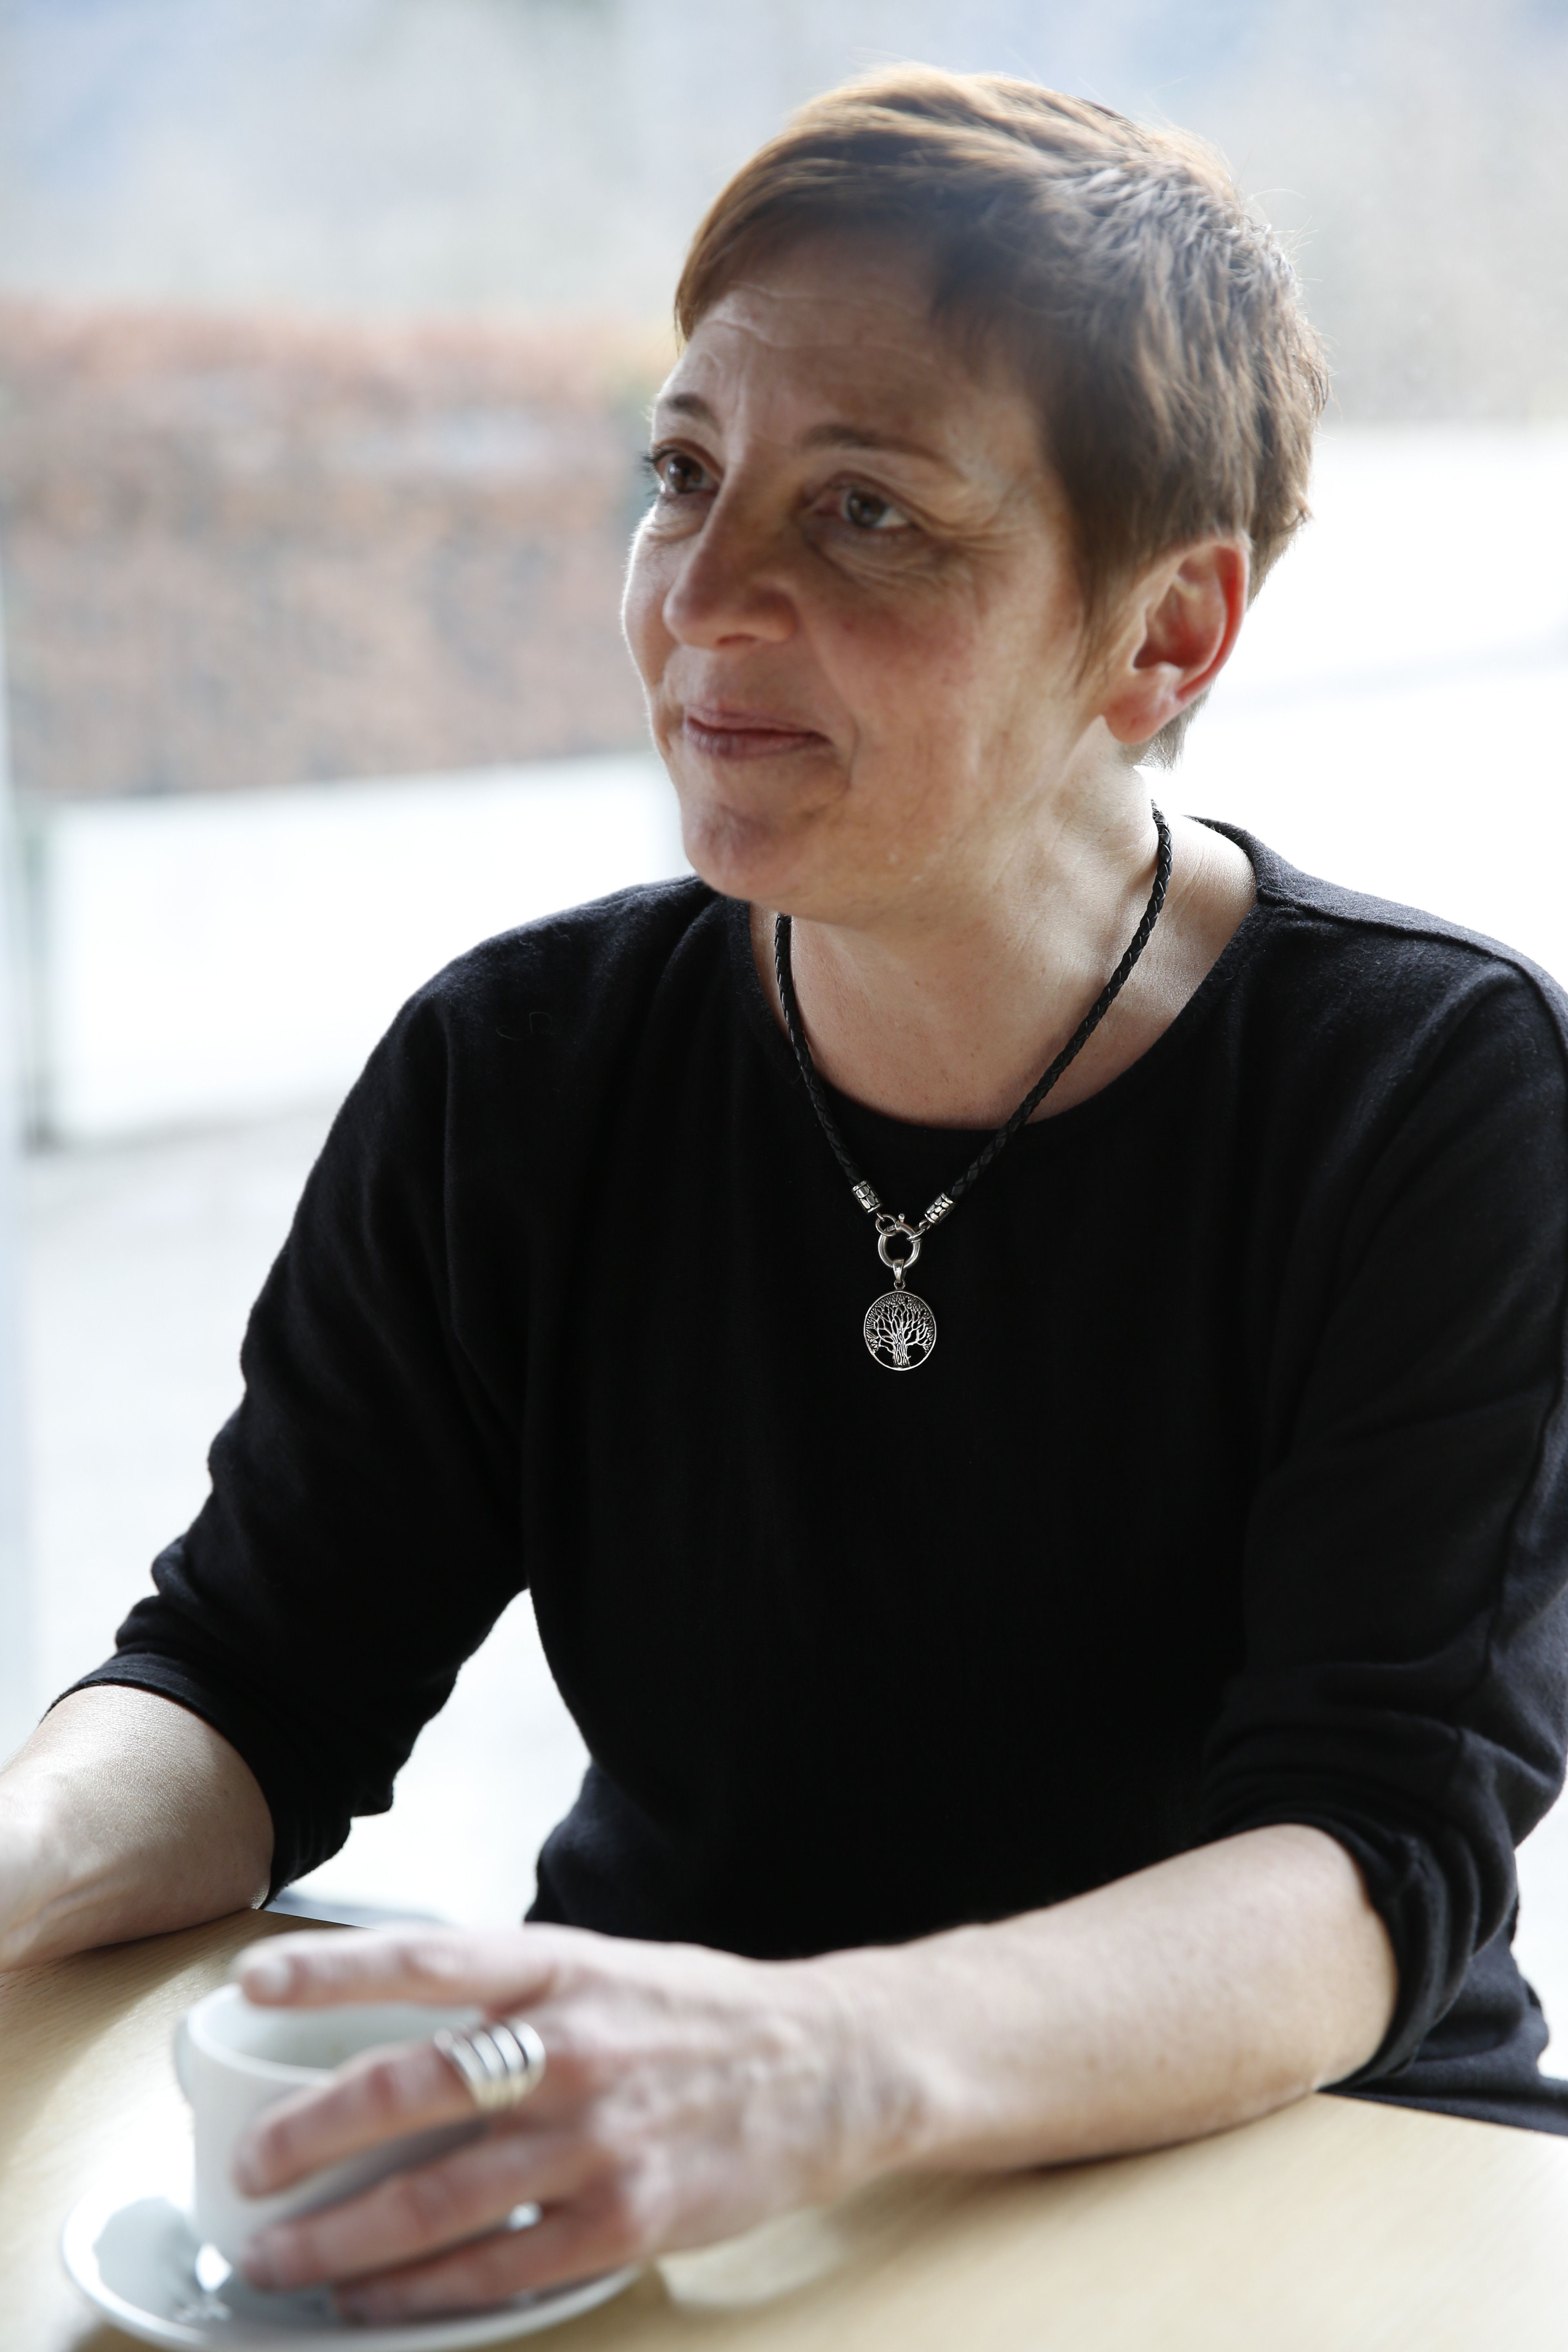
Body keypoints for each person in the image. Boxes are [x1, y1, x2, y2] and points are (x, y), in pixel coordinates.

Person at [3, 63, 1567, 2327]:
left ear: (1166, 635)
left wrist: (807, 2066)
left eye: (866, 516)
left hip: (1297, 2187)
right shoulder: (516, 1068)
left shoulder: (1437, 1093)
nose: (705, 599)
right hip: (663, 2186)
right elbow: (246, 1688)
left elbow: (1365, 1860)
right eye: (681, 475)